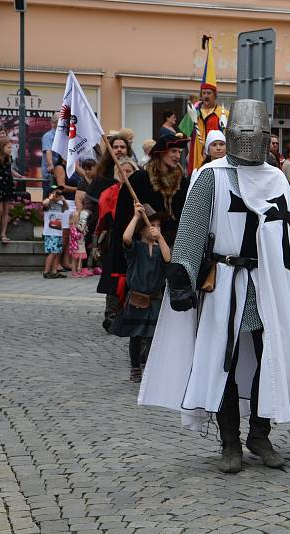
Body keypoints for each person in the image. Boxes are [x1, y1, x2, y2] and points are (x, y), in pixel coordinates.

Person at [139, 99, 290, 473]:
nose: (252, 142)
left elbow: (288, 238)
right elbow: (191, 233)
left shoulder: (275, 178)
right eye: (246, 134)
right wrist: (182, 276)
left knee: (269, 357)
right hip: (224, 282)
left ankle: (259, 432)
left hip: (268, 282)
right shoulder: (212, 175)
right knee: (226, 359)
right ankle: (229, 442)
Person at [99, 133, 189, 331]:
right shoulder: (140, 179)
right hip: (143, 241)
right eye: (173, 151)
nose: (177, 155)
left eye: (179, 152)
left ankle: (165, 319)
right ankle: (127, 319)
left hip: (169, 241)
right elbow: (123, 215)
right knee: (140, 282)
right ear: (160, 152)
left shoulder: (182, 181)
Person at [110, 203, 170, 382]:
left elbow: (169, 258)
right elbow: (126, 237)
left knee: (153, 336)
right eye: (152, 225)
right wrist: (136, 216)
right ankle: (135, 366)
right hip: (137, 298)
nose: (156, 228)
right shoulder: (135, 248)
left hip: (154, 298)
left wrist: (160, 238)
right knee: (136, 336)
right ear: (142, 229)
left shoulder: (160, 250)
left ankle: (150, 366)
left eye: (159, 226)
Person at [179, 36, 228, 175]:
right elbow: (184, 133)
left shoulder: (224, 113)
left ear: (215, 95)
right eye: (203, 93)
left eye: (209, 93)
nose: (205, 96)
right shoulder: (194, 111)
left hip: (217, 158)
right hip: (197, 157)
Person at [42, 186, 68, 278]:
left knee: (57, 252)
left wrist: (63, 200)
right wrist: (51, 197)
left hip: (58, 233)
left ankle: (54, 271)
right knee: (52, 252)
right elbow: (44, 203)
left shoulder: (59, 205)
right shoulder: (48, 204)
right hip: (50, 233)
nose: (59, 194)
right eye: (57, 193)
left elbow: (66, 208)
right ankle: (46, 271)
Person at [0, 139, 21, 244]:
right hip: (0, 185)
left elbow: (9, 169)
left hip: (7, 184)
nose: (10, 149)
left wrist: (17, 175)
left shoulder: (9, 158)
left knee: (6, 211)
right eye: (8, 147)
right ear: (1, 148)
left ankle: (3, 234)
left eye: (11, 147)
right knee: (0, 210)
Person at [67, 210, 90, 276]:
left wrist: (85, 230)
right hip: (75, 246)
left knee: (81, 258)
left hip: (81, 245)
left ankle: (79, 270)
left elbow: (85, 232)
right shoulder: (72, 227)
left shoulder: (80, 226)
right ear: (73, 219)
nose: (80, 219)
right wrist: (81, 233)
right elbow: (75, 236)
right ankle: (74, 272)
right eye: (78, 217)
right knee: (74, 259)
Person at [41, 113, 59, 193]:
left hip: (60, 174)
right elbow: (48, 151)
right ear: (54, 123)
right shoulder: (48, 136)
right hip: (50, 175)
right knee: (49, 198)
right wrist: (51, 165)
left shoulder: (63, 136)